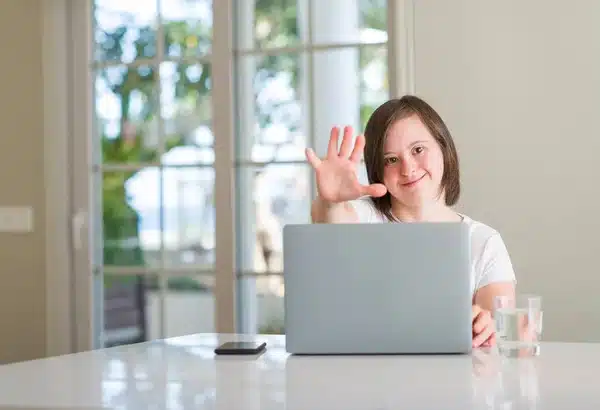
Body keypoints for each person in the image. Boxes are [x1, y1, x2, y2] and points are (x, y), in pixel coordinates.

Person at [305, 95, 516, 348]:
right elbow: (327, 221)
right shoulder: (364, 218)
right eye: (391, 159)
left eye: (418, 150)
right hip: (365, 376)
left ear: (443, 148)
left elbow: (500, 329)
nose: (408, 169)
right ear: (378, 169)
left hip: (456, 381)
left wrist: (487, 327)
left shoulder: (484, 241)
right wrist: (330, 201)